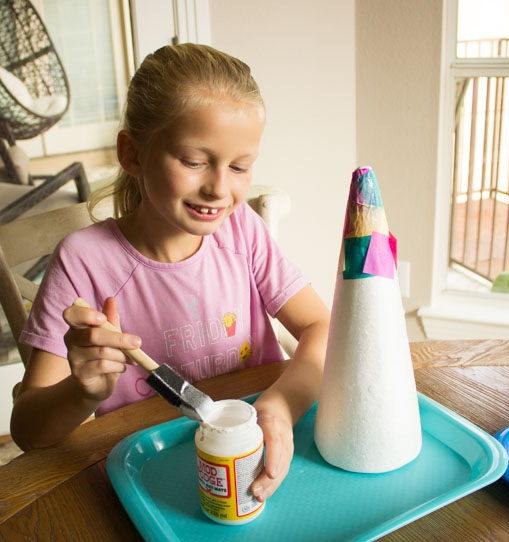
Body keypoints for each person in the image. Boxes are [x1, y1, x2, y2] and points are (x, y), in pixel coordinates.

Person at [10, 43, 330, 503]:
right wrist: (83, 391)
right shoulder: (83, 262)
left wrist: (281, 404)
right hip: (149, 479)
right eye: (194, 161)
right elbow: (28, 433)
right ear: (133, 154)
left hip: (263, 454)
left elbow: (321, 326)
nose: (219, 188)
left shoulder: (243, 232)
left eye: (240, 166)